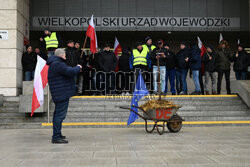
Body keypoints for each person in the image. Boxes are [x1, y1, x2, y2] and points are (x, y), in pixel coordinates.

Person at [47, 48, 82, 144]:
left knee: (57, 115)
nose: (66, 56)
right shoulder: (58, 64)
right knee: (60, 115)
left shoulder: (54, 63)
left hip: (59, 93)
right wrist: (78, 67)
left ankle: (57, 134)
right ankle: (56, 137)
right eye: (65, 55)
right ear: (61, 55)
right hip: (61, 93)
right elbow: (69, 71)